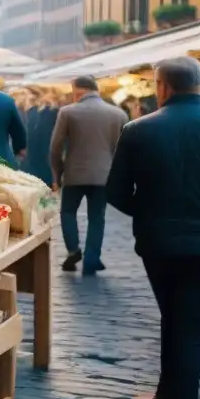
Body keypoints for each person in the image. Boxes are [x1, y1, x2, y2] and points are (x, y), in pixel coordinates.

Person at [106, 57, 200, 399]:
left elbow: (115, 193)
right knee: (188, 328)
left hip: (159, 244)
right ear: (199, 85)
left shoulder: (137, 130)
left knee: (177, 321)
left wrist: (149, 213)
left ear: (161, 86)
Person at [49, 76, 127, 275]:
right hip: (105, 175)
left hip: (74, 174)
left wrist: (57, 174)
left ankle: (73, 249)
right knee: (97, 217)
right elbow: (125, 150)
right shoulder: (118, 114)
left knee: (67, 212)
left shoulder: (67, 112)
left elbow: (55, 148)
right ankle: (92, 258)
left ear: (77, 91)